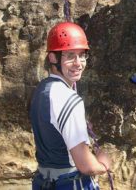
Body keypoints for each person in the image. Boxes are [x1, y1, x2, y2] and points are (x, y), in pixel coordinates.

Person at [29, 22, 111, 189]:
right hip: (69, 183)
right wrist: (103, 164)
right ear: (53, 58)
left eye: (82, 55)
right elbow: (86, 165)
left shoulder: (40, 90)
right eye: (70, 55)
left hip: (44, 182)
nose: (78, 63)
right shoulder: (67, 98)